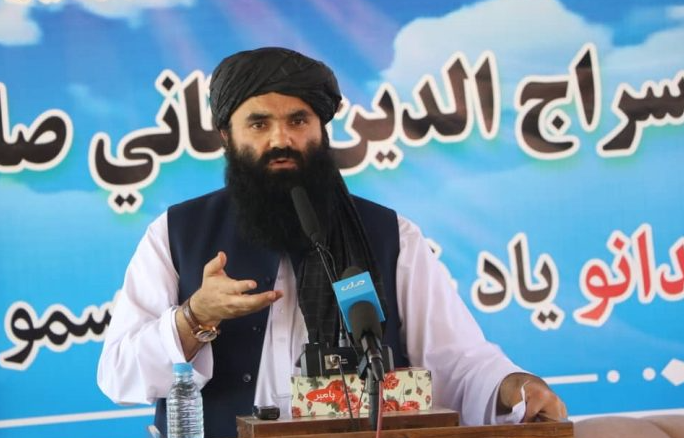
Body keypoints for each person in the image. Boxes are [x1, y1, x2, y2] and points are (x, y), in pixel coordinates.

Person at [97, 47, 566, 438]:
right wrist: (195, 317)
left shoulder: (389, 235)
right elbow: (119, 374)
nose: (281, 139)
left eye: (298, 120)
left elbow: (458, 361)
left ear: (321, 129)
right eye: (258, 124)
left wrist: (516, 387)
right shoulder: (177, 232)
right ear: (227, 136)